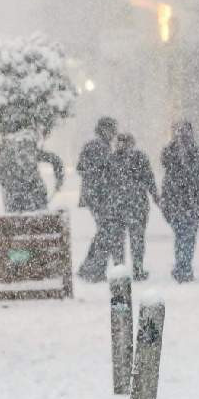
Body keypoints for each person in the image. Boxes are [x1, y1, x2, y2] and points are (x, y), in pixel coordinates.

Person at [160, 121, 199, 283]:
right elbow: (169, 170)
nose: (183, 136)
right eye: (180, 132)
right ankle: (183, 267)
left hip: (192, 201)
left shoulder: (197, 153)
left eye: (185, 132)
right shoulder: (170, 153)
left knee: (187, 236)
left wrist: (194, 173)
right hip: (177, 201)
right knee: (183, 235)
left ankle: (183, 267)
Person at [109, 133, 159, 281]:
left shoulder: (112, 159)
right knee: (136, 240)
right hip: (136, 204)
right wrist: (155, 195)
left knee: (119, 240)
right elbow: (149, 178)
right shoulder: (139, 158)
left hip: (118, 205)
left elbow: (105, 183)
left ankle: (120, 271)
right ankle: (137, 269)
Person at [76, 117, 120, 282]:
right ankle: (94, 270)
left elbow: (80, 167)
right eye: (111, 130)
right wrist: (99, 175)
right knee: (106, 233)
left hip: (96, 196)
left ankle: (89, 267)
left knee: (104, 232)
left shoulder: (97, 146)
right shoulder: (99, 147)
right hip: (100, 197)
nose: (113, 134)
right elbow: (93, 170)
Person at [0, 131, 65, 212]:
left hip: (22, 194)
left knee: (21, 219)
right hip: (28, 194)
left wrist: (8, 184)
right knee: (36, 218)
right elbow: (55, 160)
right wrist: (59, 180)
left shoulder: (7, 155)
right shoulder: (29, 152)